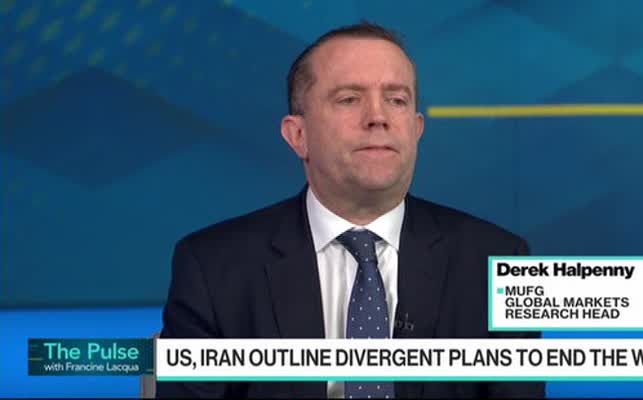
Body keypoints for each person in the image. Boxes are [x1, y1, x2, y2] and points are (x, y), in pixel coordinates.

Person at [156, 22, 544, 399]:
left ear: (416, 129)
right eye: (349, 99)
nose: (378, 117)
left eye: (396, 100)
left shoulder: (499, 262)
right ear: (298, 135)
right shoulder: (212, 268)